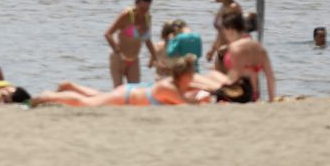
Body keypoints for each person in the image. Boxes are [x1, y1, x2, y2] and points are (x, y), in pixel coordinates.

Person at [32, 55, 212, 107]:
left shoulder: (177, 83)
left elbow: (195, 89)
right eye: (192, 73)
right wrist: (199, 99)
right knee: (87, 103)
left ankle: (70, 86)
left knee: (101, 96)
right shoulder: (168, 87)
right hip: (125, 97)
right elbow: (186, 104)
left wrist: (204, 92)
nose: (193, 77)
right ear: (184, 75)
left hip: (129, 92)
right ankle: (47, 96)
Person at [212, 9, 277, 102]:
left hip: (240, 92)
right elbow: (270, 77)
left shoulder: (235, 47)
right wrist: (271, 100)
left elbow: (236, 75)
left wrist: (218, 85)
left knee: (211, 77)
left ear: (231, 30)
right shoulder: (261, 49)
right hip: (253, 94)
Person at [104, 0, 153, 86]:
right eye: (142, 9)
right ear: (136, 4)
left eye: (147, 9)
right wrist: (116, 49)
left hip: (134, 59)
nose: (144, 12)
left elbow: (147, 39)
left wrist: (154, 57)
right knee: (118, 91)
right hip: (119, 58)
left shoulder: (147, 18)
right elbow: (108, 34)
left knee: (135, 91)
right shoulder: (126, 15)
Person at [205, 0, 243, 67]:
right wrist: (213, 49)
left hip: (232, 52)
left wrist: (228, 46)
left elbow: (240, 32)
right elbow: (220, 32)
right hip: (221, 52)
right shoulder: (223, 7)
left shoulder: (233, 8)